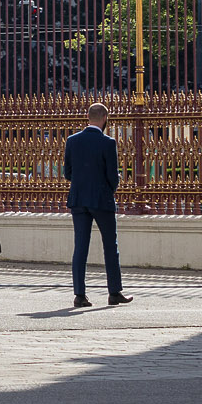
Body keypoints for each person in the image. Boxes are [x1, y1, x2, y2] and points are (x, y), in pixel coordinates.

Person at [65, 101, 132, 308]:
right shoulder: (107, 142)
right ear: (104, 118)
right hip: (102, 200)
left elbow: (68, 173)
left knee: (80, 247)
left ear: (88, 117)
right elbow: (113, 176)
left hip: (78, 199)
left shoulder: (72, 140)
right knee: (110, 246)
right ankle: (114, 292)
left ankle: (79, 295)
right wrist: (109, 189)